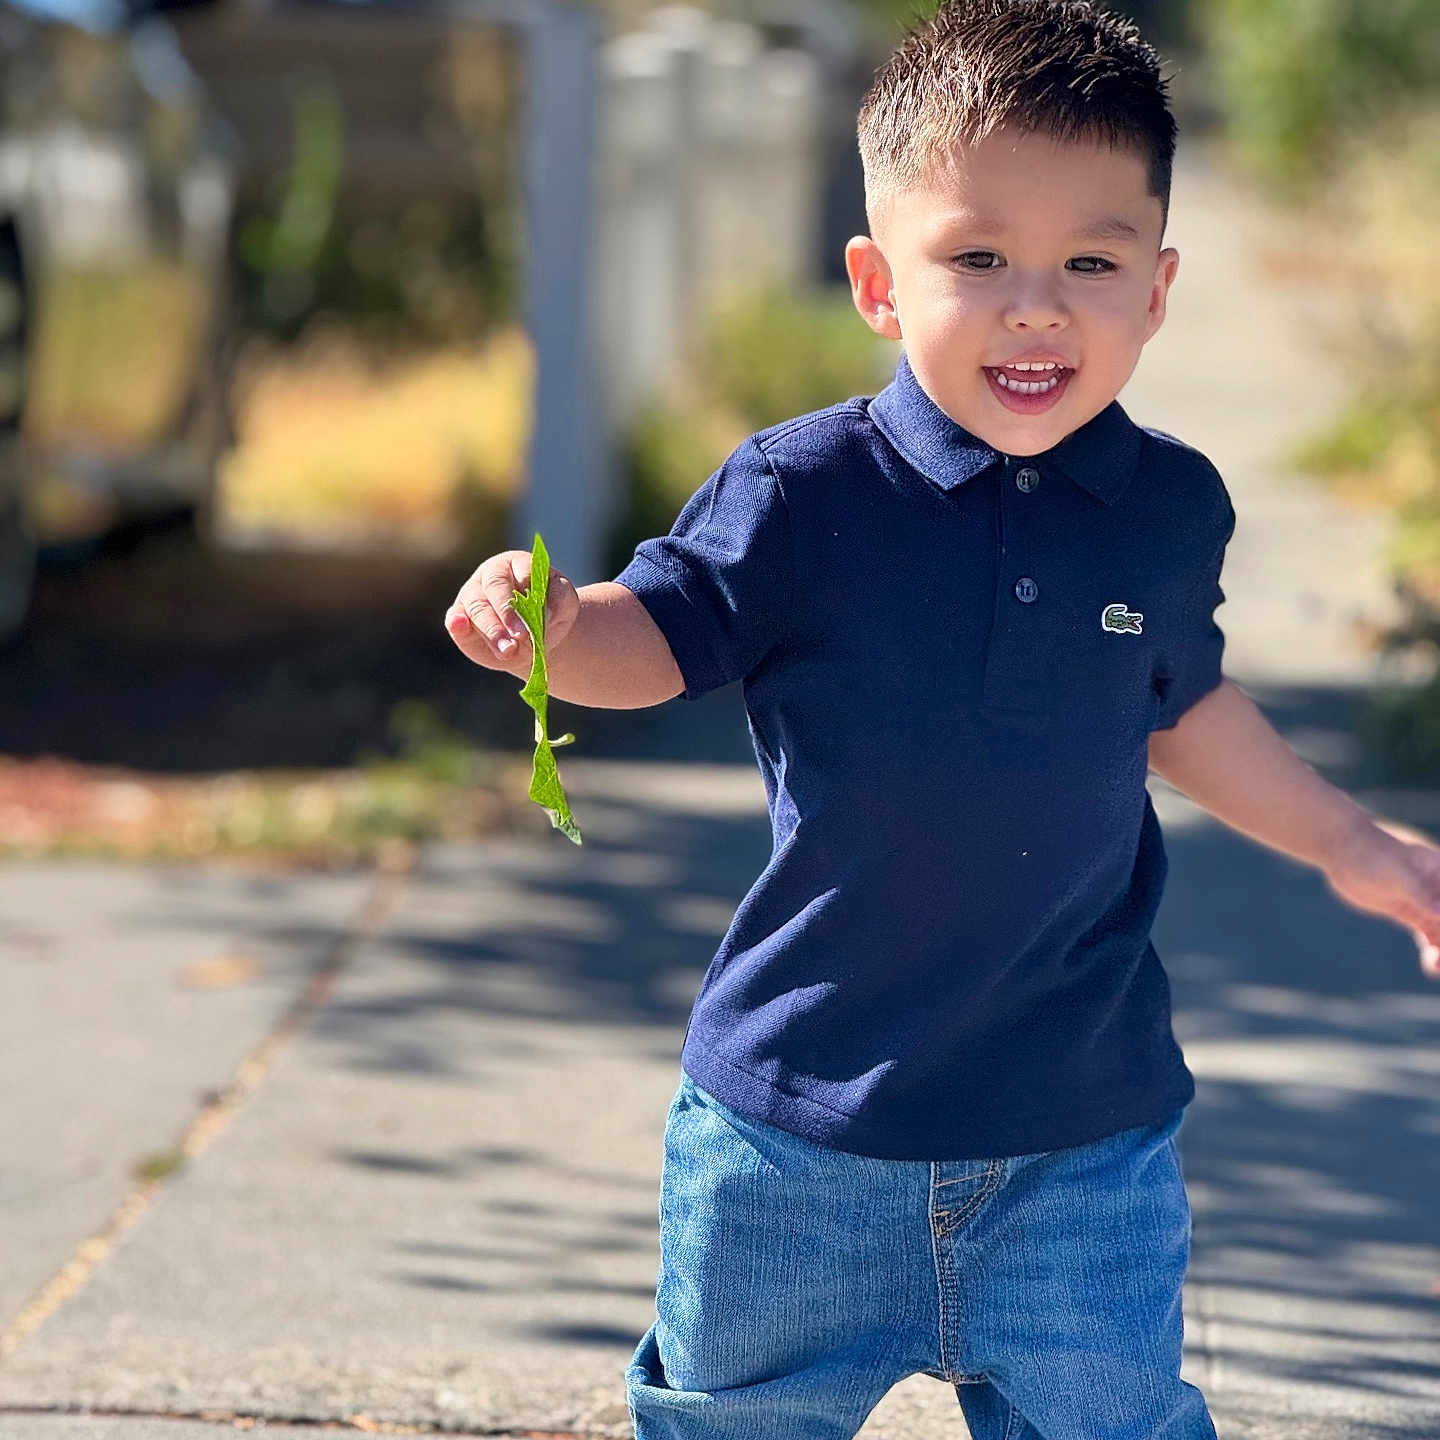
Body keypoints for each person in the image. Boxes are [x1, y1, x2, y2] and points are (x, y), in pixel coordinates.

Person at [444, 2, 1440, 1435]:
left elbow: (1184, 708)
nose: (1037, 307)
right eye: (977, 259)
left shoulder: (1167, 507)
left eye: (1090, 262)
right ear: (877, 282)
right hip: (798, 1141)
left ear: (1158, 290)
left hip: (1080, 1146)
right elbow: (653, 642)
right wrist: (553, 630)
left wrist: (1357, 846)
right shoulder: (801, 496)